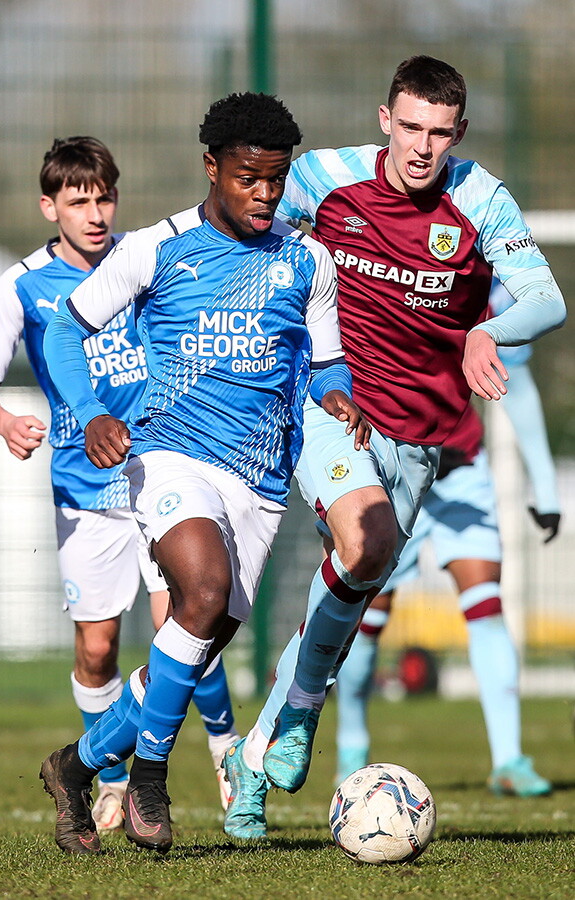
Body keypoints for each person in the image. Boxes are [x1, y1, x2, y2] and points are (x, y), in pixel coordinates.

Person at [222, 55, 566, 840]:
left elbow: (545, 299)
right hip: (327, 407)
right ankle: (298, 714)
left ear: (458, 135)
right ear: (385, 121)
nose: (421, 146)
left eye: (438, 133)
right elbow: (237, 222)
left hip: (420, 438)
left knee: (348, 585)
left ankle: (257, 751)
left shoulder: (479, 198)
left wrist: (487, 328)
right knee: (363, 541)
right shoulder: (321, 179)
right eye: (409, 127)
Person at [38, 91, 368, 856]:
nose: (264, 193)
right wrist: (90, 412)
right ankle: (150, 776)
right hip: (168, 457)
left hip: (257, 482)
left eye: (276, 179)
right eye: (248, 176)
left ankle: (74, 765)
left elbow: (323, 362)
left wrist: (338, 395)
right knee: (204, 590)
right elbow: (66, 328)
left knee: (192, 647)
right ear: (211, 166)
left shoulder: (305, 259)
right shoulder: (156, 248)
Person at [0, 136, 239, 831]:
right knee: (97, 649)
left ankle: (226, 751)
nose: (94, 213)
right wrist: (4, 424)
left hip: (155, 470)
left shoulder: (141, 260)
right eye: (77, 200)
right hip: (82, 489)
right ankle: (107, 776)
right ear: (48, 205)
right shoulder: (22, 284)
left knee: (184, 618)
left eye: (104, 197)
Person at [336, 280, 560, 796]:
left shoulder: (485, 287)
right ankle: (350, 745)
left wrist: (545, 485)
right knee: (366, 617)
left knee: (485, 604)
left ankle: (509, 758)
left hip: (460, 468)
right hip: (389, 469)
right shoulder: (368, 263)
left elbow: (515, 381)